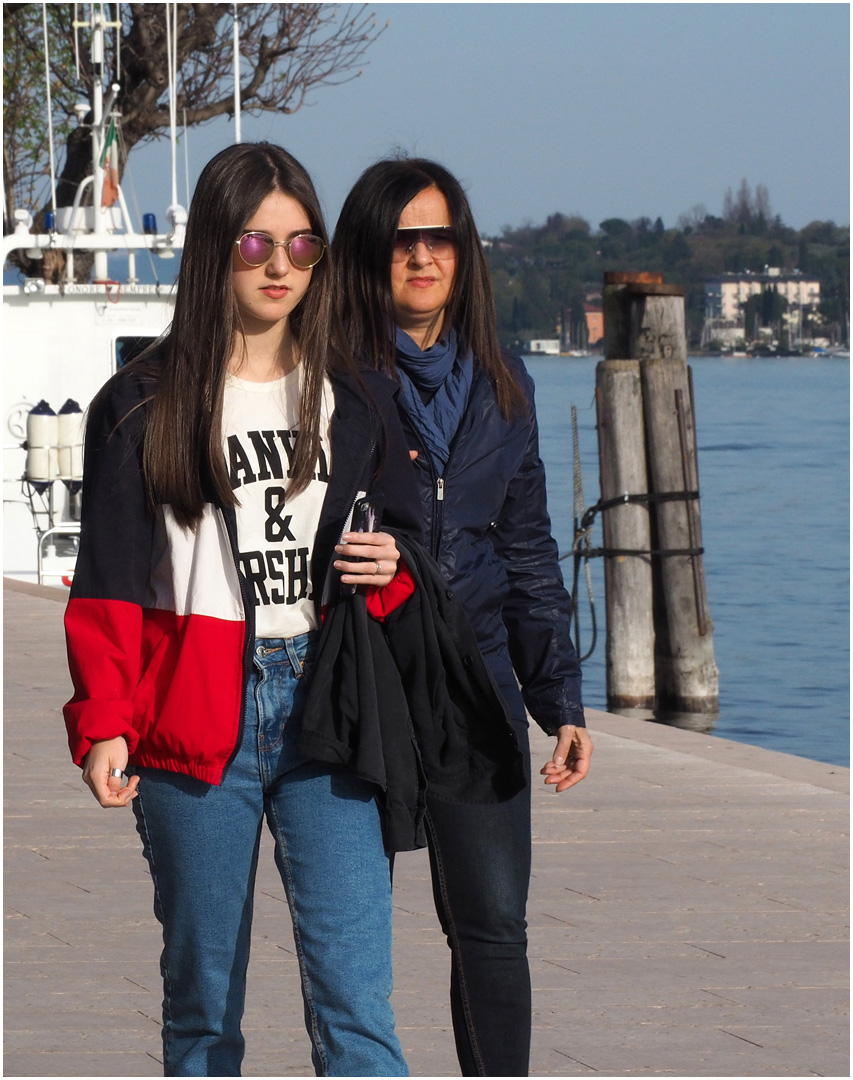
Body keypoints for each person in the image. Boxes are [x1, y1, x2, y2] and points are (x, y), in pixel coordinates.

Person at [62, 142, 419, 1078]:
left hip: (328, 709)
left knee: (357, 1007)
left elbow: (414, 547)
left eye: (302, 248)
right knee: (204, 1008)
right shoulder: (139, 403)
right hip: (190, 715)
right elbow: (107, 583)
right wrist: (104, 723)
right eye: (257, 245)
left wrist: (394, 566)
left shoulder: (357, 399)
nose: (279, 268)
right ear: (216, 247)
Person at [333, 157, 594, 1077]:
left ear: (463, 252)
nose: (422, 257)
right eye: (401, 239)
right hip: (360, 683)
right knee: (349, 944)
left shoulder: (502, 380)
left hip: (475, 681)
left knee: (492, 926)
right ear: (368, 252)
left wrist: (557, 698)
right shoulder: (327, 378)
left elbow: (526, 552)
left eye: (439, 236)